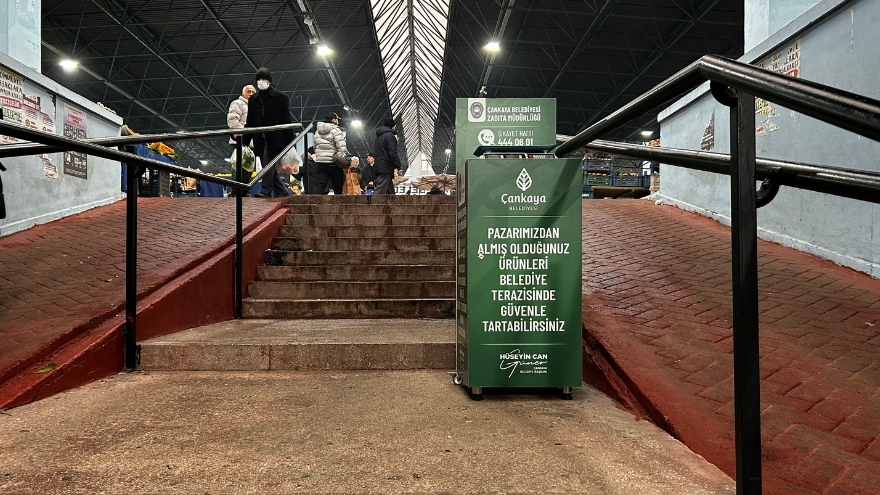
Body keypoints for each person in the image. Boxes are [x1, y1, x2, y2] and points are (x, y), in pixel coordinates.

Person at [244, 67, 294, 198]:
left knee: (267, 163)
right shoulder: (253, 100)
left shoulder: (280, 98)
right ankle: (282, 191)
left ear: (269, 81)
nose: (261, 81)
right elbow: (250, 121)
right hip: (259, 140)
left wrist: (291, 142)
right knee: (268, 166)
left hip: (276, 139)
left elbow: (287, 120)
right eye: (259, 79)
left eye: (264, 79)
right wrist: (244, 141)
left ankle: (265, 191)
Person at [313, 111, 346, 195]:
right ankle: (338, 202)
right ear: (334, 120)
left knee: (319, 185)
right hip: (333, 162)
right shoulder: (336, 130)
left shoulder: (317, 132)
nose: (338, 121)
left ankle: (314, 202)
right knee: (337, 186)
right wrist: (344, 157)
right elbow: (341, 147)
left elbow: (315, 147)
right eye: (337, 119)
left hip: (320, 162)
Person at [372, 117, 402, 194]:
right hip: (385, 167)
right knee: (380, 190)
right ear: (392, 126)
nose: (395, 127)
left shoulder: (379, 137)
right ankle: (374, 202)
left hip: (380, 166)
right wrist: (398, 166)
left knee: (390, 192)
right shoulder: (390, 136)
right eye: (394, 125)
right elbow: (392, 152)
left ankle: (393, 202)